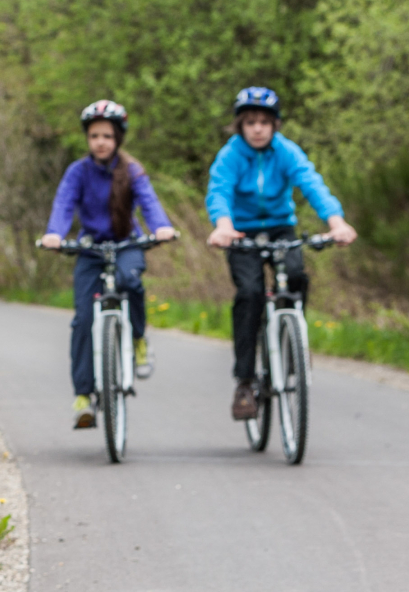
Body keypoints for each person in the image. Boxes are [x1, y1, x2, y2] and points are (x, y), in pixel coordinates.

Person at [204, 86, 357, 420]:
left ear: (275, 125)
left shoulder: (286, 151)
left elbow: (312, 183)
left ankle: (294, 345)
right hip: (240, 232)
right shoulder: (231, 155)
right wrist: (223, 225)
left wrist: (336, 223)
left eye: (264, 122)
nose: (258, 128)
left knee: (297, 276)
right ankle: (245, 381)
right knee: (250, 293)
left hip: (279, 228)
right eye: (250, 122)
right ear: (240, 126)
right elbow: (219, 191)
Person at [40, 100, 177, 429]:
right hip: (91, 250)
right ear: (87, 139)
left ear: (118, 138)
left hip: (127, 243)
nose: (100, 141)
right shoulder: (78, 171)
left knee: (131, 281)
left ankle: (138, 340)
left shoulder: (132, 170)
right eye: (94, 135)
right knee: (84, 318)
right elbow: (63, 204)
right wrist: (54, 234)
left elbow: (149, 201)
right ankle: (84, 395)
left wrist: (161, 226)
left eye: (107, 135)